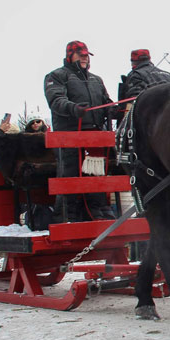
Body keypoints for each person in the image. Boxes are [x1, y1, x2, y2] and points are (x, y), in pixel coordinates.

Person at [44, 40, 115, 222]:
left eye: (86, 55)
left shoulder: (96, 80)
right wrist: (73, 108)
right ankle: (66, 217)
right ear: (70, 55)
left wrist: (113, 109)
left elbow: (106, 101)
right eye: (80, 54)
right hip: (69, 137)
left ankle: (98, 213)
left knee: (96, 175)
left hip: (95, 138)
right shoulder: (56, 76)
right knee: (70, 176)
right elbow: (56, 100)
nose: (84, 58)